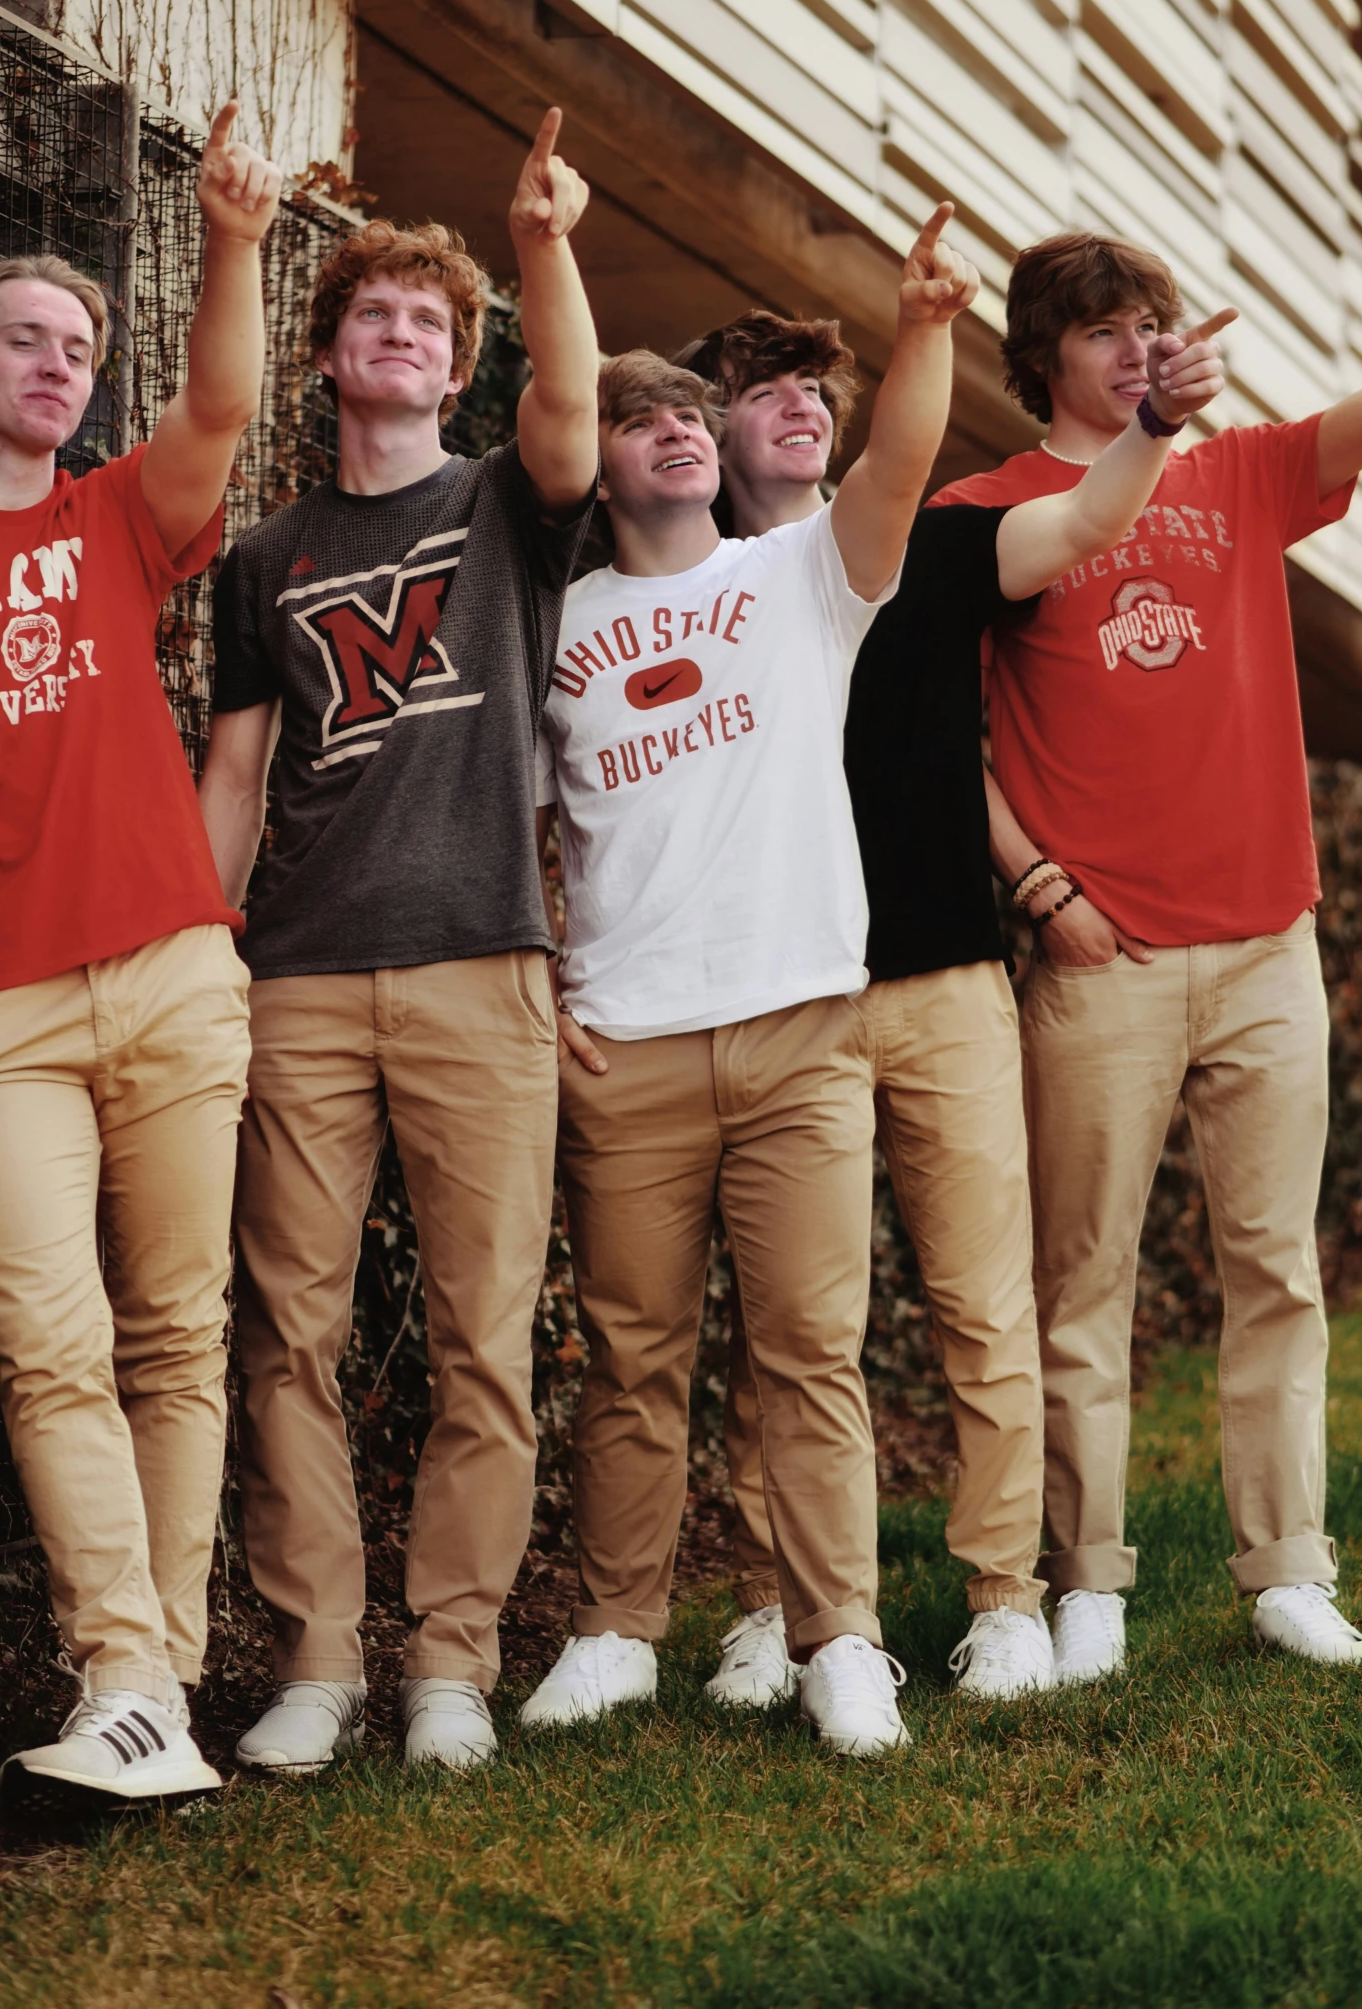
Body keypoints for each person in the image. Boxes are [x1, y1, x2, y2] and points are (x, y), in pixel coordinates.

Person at [662, 297, 1232, 1705]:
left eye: (818, 387)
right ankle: (766, 1599)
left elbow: (1091, 522)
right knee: (790, 1329)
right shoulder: (693, 588)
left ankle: (1004, 1600)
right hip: (778, 995)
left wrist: (1154, 423)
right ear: (713, 426)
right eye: (766, 387)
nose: (803, 404)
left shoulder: (939, 542)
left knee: (984, 1305)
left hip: (948, 983)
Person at [0, 106, 283, 1798]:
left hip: (173, 970)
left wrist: (231, 234)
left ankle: (141, 1696)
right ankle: (131, 1670)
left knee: (176, 1334)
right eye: (27, 337)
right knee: (50, 1342)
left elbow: (223, 409)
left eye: (83, 345)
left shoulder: (112, 523)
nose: (61, 364)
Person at [521, 206, 976, 1760]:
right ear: (604, 459)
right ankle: (614, 1634)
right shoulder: (560, 626)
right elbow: (516, 825)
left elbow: (901, 467)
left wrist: (922, 329)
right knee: (634, 1366)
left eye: (681, 416)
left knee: (809, 1356)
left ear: (717, 447)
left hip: (796, 1033)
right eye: (633, 419)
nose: (666, 435)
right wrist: (542, 984)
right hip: (625, 1048)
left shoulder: (804, 585)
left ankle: (839, 1639)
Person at [933, 229, 1362, 1681]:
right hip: (1101, 958)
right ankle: (1089, 1584)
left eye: (1155, 323)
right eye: (1106, 329)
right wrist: (1040, 884)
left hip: (1267, 941)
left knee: (1276, 1273)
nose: (1140, 348)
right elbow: (940, 741)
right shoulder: (985, 506)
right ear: (1043, 356)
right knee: (1086, 1285)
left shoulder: (1241, 472)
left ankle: (1287, 1572)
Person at [197, 111, 598, 1775]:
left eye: (434, 324)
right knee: (286, 1330)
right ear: (330, 356)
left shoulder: (512, 503)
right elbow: (233, 775)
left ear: (460, 369)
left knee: (477, 1331)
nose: (404, 334)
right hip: (292, 975)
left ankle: (448, 1662)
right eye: (376, 315)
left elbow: (572, 410)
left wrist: (543, 243)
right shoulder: (261, 560)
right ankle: (316, 1660)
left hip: (478, 965)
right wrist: (206, 955)